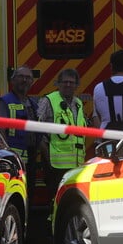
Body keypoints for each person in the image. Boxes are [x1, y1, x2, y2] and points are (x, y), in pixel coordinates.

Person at [0, 66, 38, 244]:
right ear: (13, 80)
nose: (25, 81)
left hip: (30, 161)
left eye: (28, 78)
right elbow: (0, 129)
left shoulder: (31, 103)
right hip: (14, 163)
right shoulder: (5, 102)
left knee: (27, 205)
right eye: (21, 77)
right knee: (15, 206)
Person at [37, 69, 88, 205]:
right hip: (55, 165)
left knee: (73, 201)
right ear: (58, 84)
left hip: (76, 164)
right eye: (64, 82)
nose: (68, 85)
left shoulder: (78, 104)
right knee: (56, 202)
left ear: (77, 85)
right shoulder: (48, 101)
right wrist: (47, 158)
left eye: (71, 83)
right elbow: (38, 131)